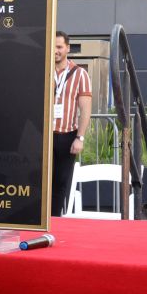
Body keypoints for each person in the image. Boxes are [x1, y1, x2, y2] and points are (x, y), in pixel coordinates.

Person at [50, 30, 92, 217]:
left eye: (59, 47)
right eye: (53, 46)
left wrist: (80, 138)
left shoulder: (80, 74)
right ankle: (39, 220)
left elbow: (85, 109)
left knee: (61, 181)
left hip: (67, 135)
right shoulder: (43, 69)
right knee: (41, 181)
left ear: (67, 48)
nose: (56, 50)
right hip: (43, 134)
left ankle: (55, 219)